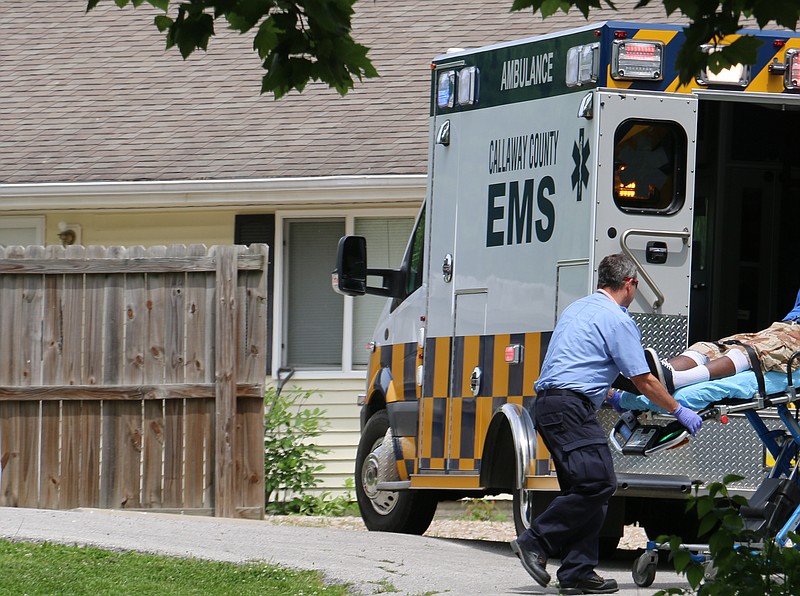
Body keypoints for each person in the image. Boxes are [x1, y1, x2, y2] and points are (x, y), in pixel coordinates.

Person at [510, 253, 702, 595]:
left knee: (586, 492)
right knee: (598, 483)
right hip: (571, 409)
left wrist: (609, 395)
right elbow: (643, 379)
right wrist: (677, 410)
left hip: (550, 406)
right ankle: (534, 541)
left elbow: (581, 361)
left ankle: (577, 572)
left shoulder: (578, 309)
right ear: (629, 284)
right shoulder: (617, 319)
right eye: (636, 286)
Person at [646, 289, 800, 393]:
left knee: (751, 352)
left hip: (794, 336)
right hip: (783, 326)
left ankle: (676, 380)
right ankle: (652, 375)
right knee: (713, 347)